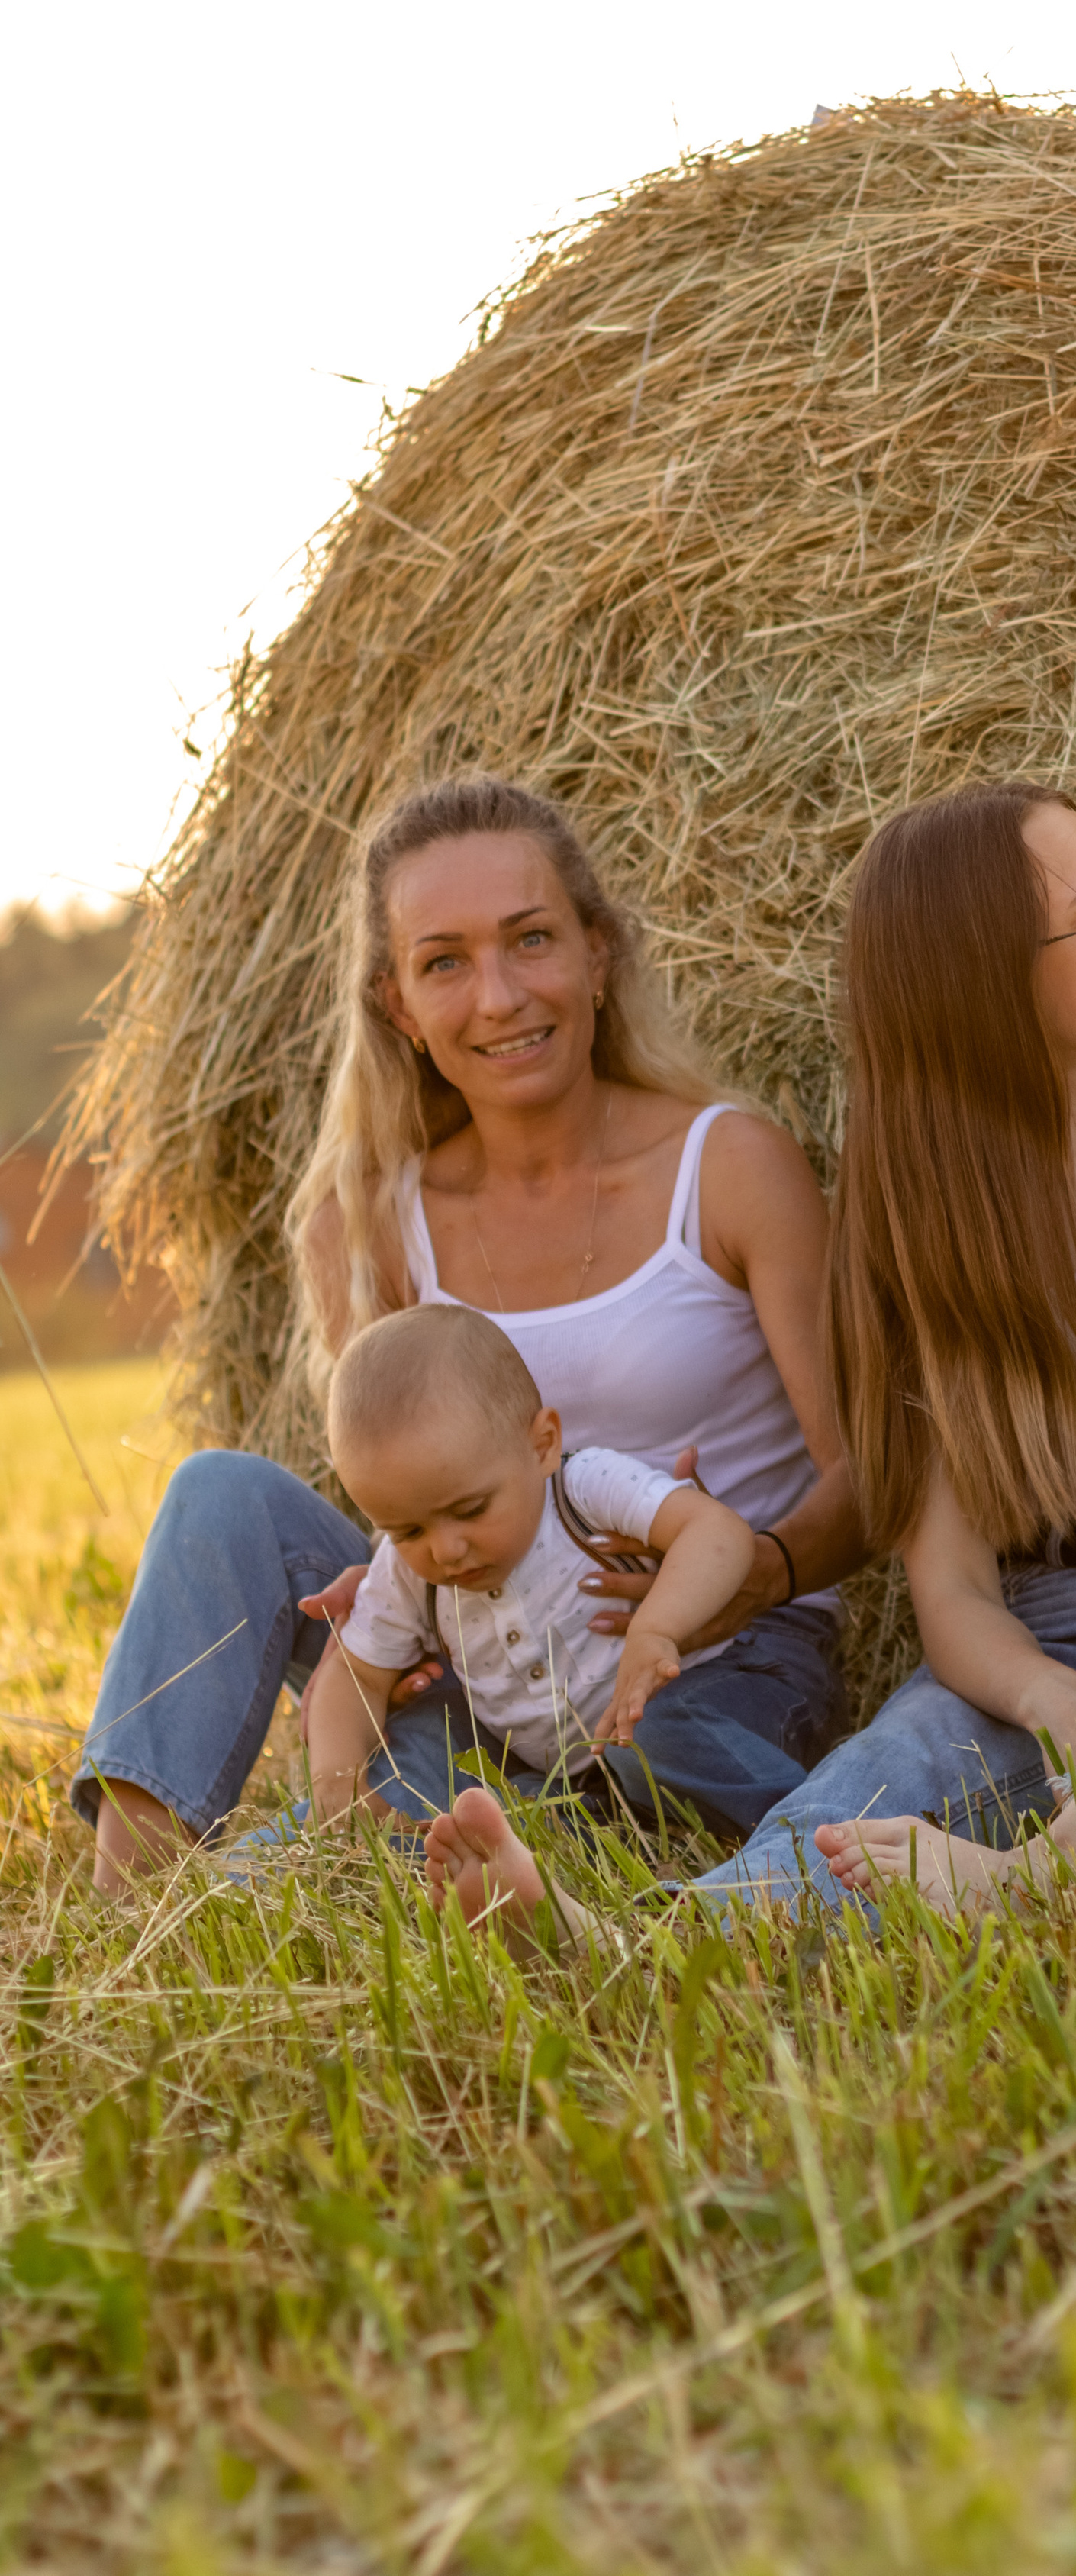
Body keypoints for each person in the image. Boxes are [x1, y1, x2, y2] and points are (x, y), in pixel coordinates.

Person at [418, 779, 1076, 1941]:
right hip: (1052, 1630)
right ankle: (645, 1948)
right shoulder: (926, 1216)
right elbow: (950, 1587)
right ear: (992, 978)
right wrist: (1052, 1698)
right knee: (877, 1781)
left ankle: (1066, 1866)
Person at [77, 774, 865, 1894]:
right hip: (485, 1647)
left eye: (531, 940)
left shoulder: (727, 1169)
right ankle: (134, 1893)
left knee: (639, 1766)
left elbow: (870, 1476)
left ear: (598, 954)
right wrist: (386, 1592)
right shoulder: (371, 1222)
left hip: (705, 1655)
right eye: (444, 961)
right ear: (398, 1003)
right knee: (220, 1498)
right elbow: (404, 1479)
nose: (497, 997)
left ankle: (445, 1838)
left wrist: (744, 1575)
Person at [309, 1304, 756, 1823]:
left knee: (652, 1742)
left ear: (542, 1446)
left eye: (471, 1510)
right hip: (568, 1773)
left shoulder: (583, 1490)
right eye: (407, 1531)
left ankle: (792, 1828)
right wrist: (337, 1785)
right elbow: (355, 1673)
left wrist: (657, 1628)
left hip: (711, 1693)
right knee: (496, 1806)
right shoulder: (405, 1571)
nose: (445, 1550)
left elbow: (719, 1531)